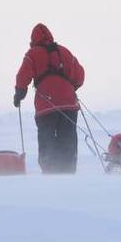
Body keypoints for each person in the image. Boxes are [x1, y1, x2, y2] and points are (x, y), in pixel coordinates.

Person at [14, 23, 86, 174]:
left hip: (46, 107)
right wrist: (71, 88)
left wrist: (19, 93)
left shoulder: (32, 54)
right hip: (69, 105)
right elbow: (80, 75)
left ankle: (50, 173)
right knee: (68, 140)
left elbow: (22, 77)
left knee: (47, 141)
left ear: (33, 40)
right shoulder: (65, 52)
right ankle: (68, 172)